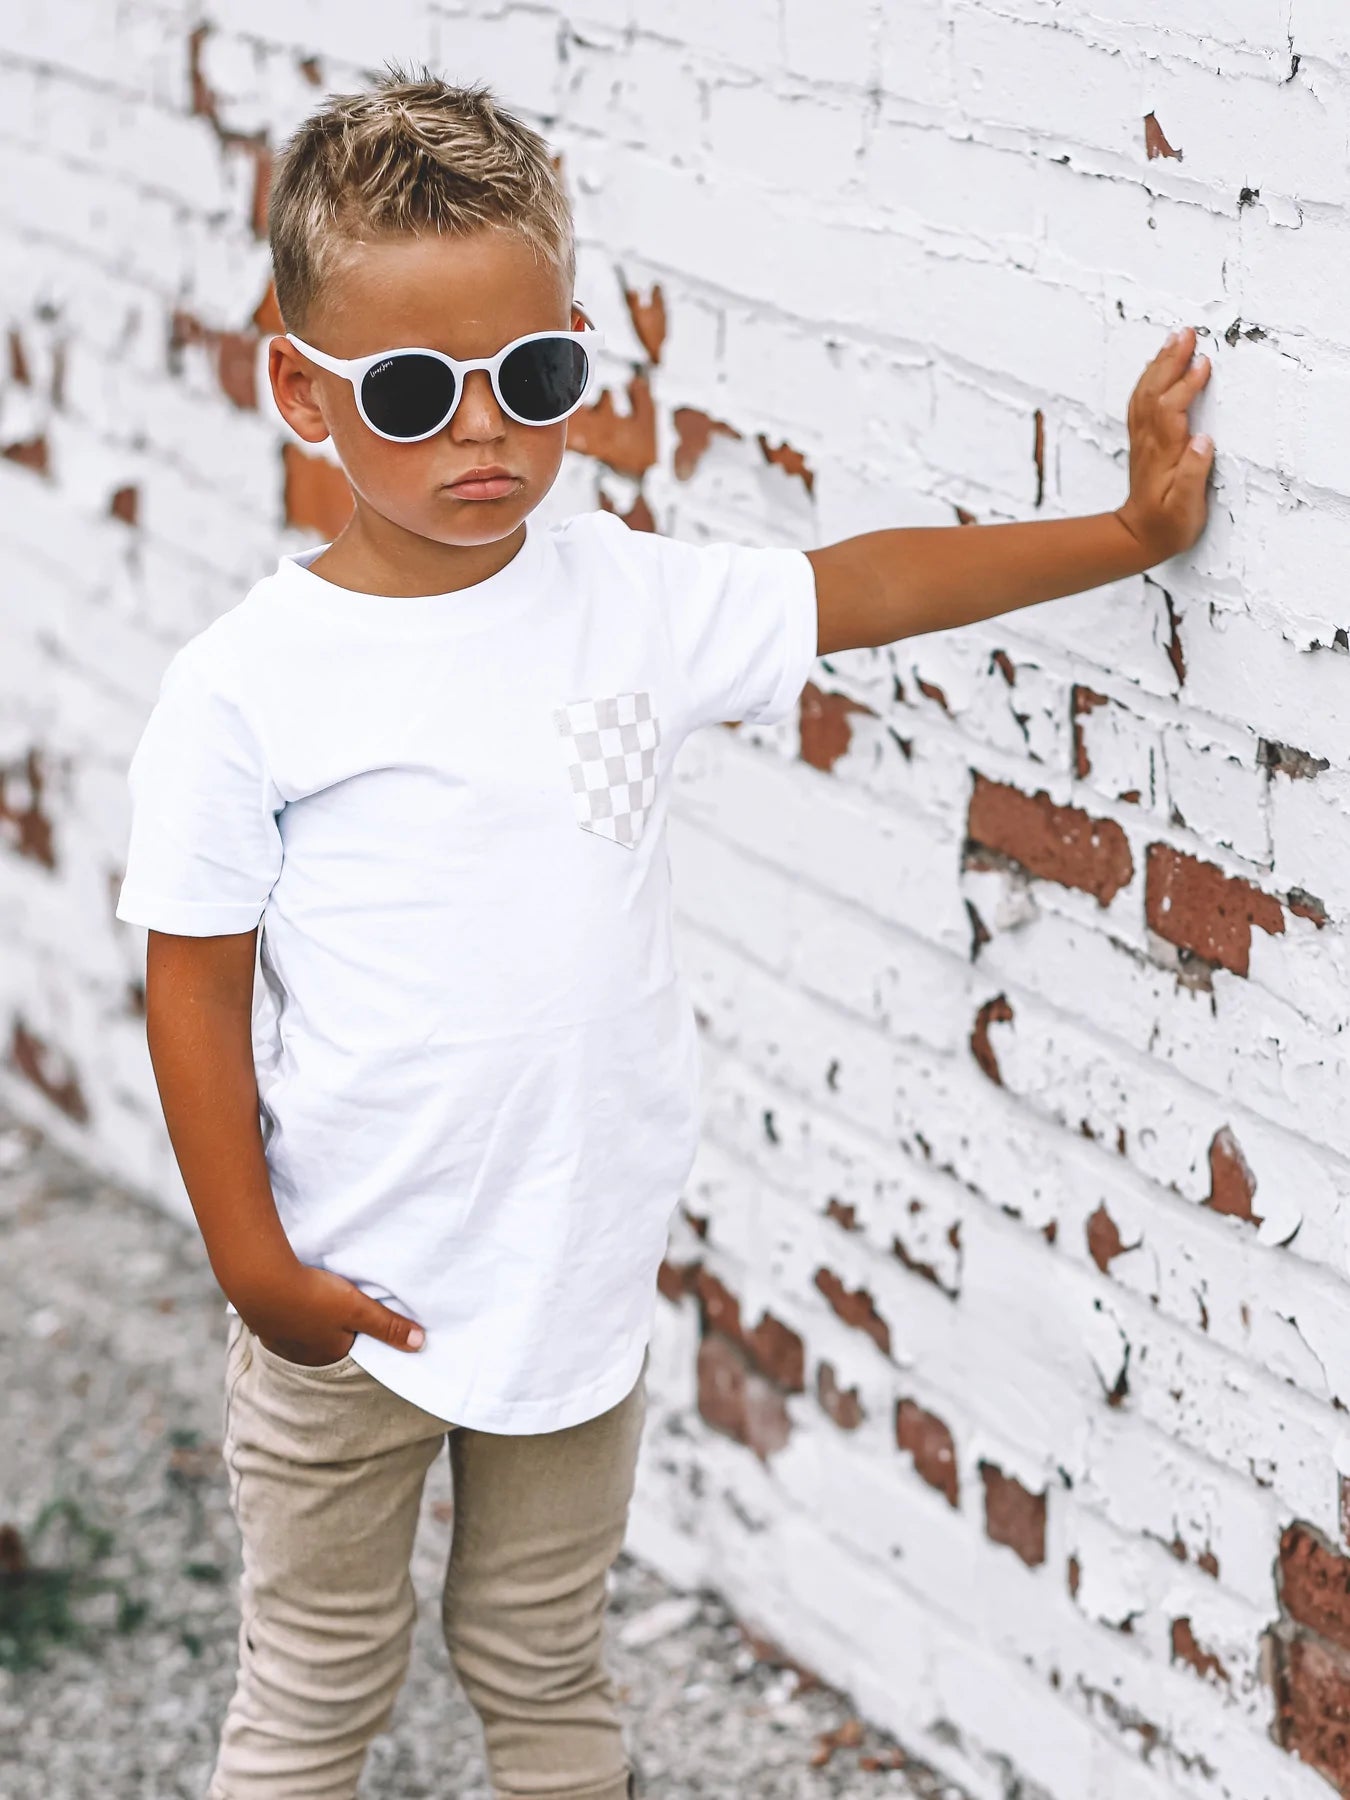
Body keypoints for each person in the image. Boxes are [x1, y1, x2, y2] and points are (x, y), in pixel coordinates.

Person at [114, 65, 1214, 1800]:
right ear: (299, 394)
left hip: (568, 1279)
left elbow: (867, 585)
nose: (481, 436)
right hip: (348, 1288)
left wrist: (1132, 529)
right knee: (319, 1685)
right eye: (412, 392)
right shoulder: (250, 688)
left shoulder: (625, 601)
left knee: (543, 1659)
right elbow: (191, 984)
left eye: (531, 379)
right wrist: (258, 1269)